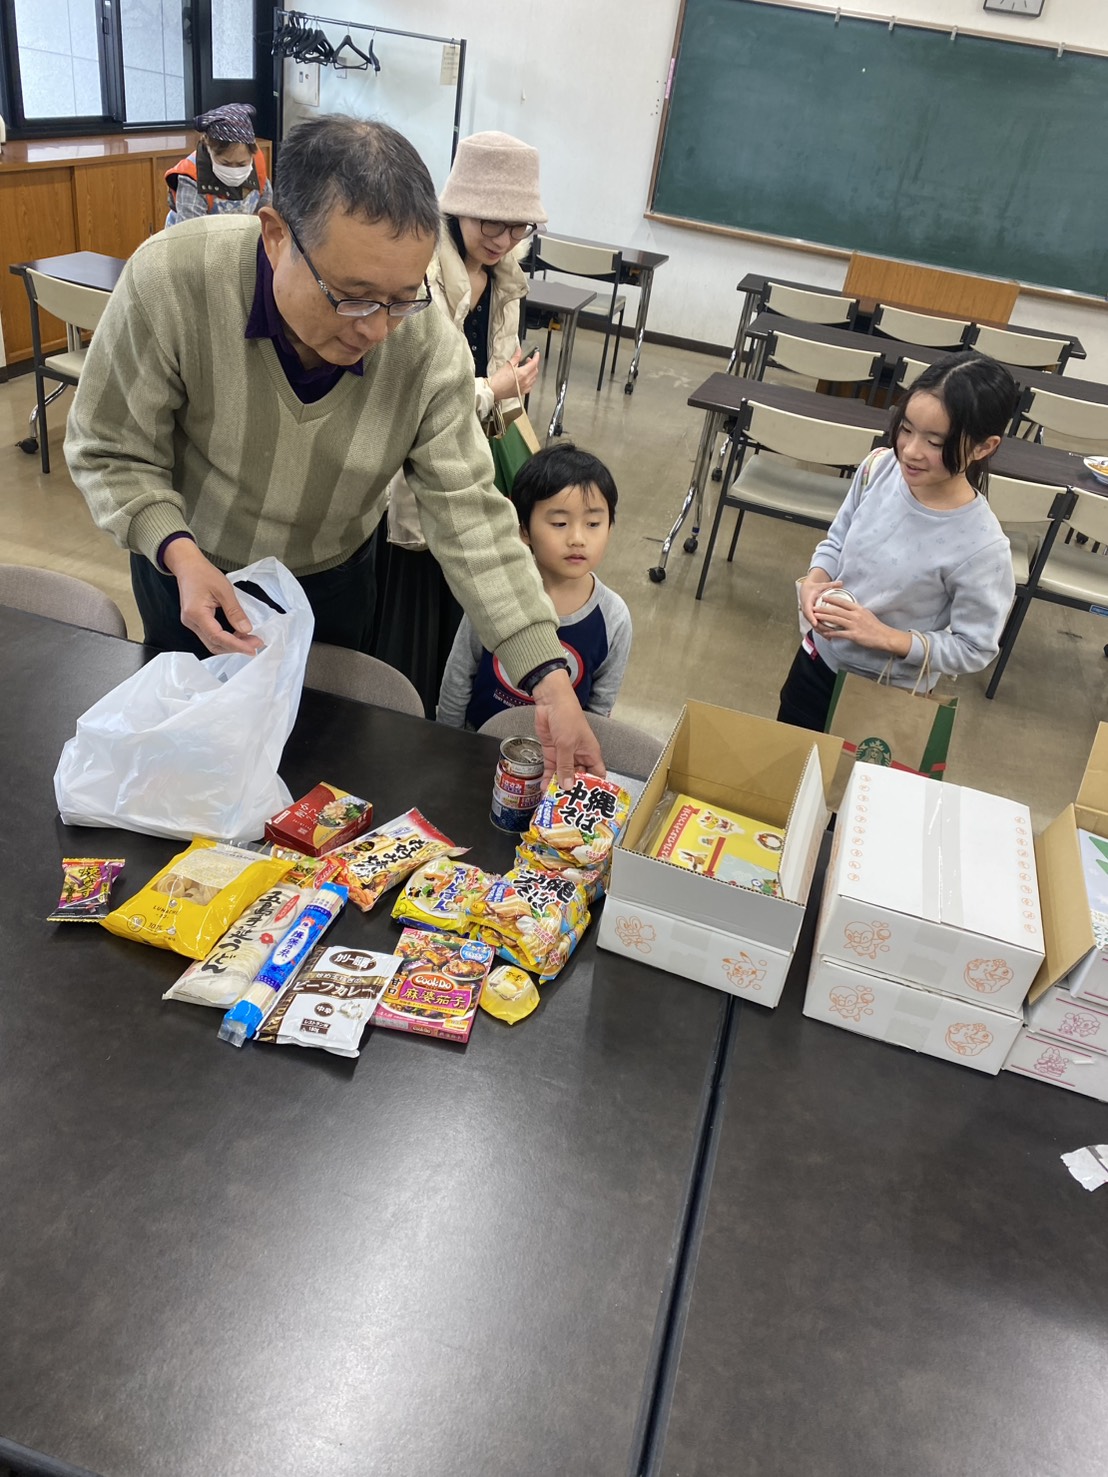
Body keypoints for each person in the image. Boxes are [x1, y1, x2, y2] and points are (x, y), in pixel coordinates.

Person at [65, 114, 602, 784]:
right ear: (276, 236)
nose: (377, 328)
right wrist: (177, 552)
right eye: (350, 299)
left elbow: (468, 512)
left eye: (401, 298)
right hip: (192, 568)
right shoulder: (175, 280)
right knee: (181, 769)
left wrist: (547, 675)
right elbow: (110, 447)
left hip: (330, 582)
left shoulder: (423, 344)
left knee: (312, 776)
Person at [378, 130, 546, 713]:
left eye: (517, 227)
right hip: (411, 476)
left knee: (463, 609)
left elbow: (498, 362)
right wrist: (495, 388)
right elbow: (408, 391)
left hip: (470, 464)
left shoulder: (505, 275)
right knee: (410, 629)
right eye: (489, 225)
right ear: (456, 207)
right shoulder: (420, 271)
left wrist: (505, 391)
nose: (503, 240)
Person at [778, 351, 1018, 732]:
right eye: (906, 429)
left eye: (936, 442)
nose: (910, 450)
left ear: (984, 447)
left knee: (848, 788)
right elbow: (838, 539)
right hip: (815, 661)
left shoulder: (981, 547)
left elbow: (975, 648)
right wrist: (814, 580)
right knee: (785, 766)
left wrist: (889, 638)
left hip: (885, 694)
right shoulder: (880, 467)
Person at [437, 443, 631, 731]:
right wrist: (447, 741)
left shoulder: (613, 618)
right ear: (523, 529)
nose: (577, 538)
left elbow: (598, 711)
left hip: (554, 762)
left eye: (593, 523)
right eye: (560, 523)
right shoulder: (496, 592)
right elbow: (459, 675)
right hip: (477, 743)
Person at [164, 103, 272, 227]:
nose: (234, 171)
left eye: (242, 164)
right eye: (225, 163)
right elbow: (190, 235)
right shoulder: (191, 178)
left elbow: (266, 213)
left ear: (252, 154)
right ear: (208, 148)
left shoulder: (257, 166)